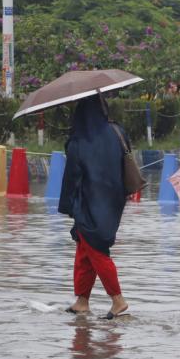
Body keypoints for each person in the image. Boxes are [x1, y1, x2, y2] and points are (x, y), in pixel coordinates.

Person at [59, 95, 131, 319]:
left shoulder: (78, 141)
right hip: (114, 200)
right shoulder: (118, 132)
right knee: (85, 249)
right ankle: (82, 301)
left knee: (97, 250)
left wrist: (68, 206)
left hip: (89, 203)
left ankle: (118, 299)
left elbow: (71, 177)